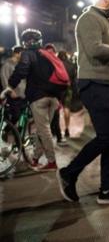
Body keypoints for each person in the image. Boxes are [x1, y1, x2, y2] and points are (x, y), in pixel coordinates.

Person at [57, 0, 109, 205]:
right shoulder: (89, 18)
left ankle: (107, 190)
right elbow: (95, 50)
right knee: (107, 136)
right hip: (96, 83)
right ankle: (69, 172)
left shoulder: (107, 21)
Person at [5, 29, 67, 171]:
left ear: (25, 42)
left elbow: (21, 70)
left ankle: (51, 162)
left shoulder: (28, 54)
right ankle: (35, 158)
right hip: (54, 98)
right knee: (42, 129)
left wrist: (10, 86)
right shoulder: (48, 54)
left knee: (44, 130)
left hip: (39, 98)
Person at [0, 46, 26, 124]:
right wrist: (10, 92)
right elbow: (4, 79)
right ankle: (7, 129)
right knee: (16, 116)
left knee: (22, 117)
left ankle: (17, 134)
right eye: (22, 54)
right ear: (16, 54)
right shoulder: (7, 64)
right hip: (14, 95)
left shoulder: (21, 64)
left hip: (22, 95)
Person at [57, 50, 77, 139]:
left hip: (57, 89)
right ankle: (66, 129)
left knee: (56, 110)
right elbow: (74, 80)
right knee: (66, 108)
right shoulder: (71, 65)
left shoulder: (56, 64)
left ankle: (56, 131)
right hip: (68, 89)